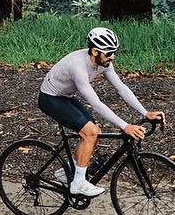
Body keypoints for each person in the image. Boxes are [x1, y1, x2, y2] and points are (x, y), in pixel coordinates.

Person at [37, 27, 164, 198]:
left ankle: (67, 172)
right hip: (50, 98)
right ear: (95, 51)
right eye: (109, 53)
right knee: (90, 133)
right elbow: (96, 104)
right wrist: (125, 126)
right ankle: (78, 184)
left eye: (114, 52)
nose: (113, 57)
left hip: (65, 96)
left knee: (94, 132)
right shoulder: (78, 66)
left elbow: (121, 88)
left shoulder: (104, 62)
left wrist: (145, 112)